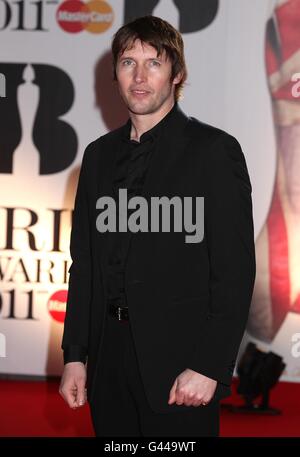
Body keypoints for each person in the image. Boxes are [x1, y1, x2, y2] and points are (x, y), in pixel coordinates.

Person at [59, 15, 256, 437]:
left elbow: (234, 273)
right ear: (115, 73)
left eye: (155, 62)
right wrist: (75, 354)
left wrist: (209, 366)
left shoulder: (214, 152)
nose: (141, 76)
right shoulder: (97, 157)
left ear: (177, 73)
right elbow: (86, 264)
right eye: (129, 62)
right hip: (108, 361)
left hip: (180, 364)